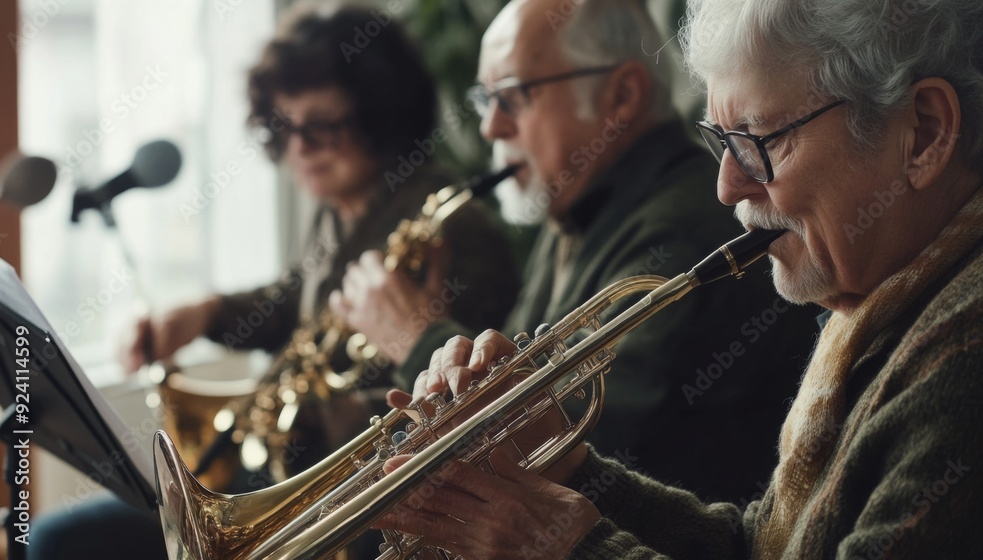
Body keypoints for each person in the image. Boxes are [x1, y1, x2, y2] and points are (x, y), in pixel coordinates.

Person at [376, 0, 983, 558]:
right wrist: (560, 461)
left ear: (925, 132)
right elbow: (755, 547)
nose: (727, 185)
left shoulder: (975, 353)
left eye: (759, 139)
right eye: (721, 140)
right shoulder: (885, 308)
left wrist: (565, 546)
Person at [29, 4, 518, 559]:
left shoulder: (454, 227)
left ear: (381, 118)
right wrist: (205, 313)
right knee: (63, 537)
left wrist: (335, 398)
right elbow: (296, 302)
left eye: (322, 128)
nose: (297, 151)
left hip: (364, 507)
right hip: (290, 476)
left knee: (66, 541)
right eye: (283, 129)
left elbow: (474, 403)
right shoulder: (341, 206)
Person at [332, 0, 819, 504]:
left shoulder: (682, 226)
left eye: (513, 97)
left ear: (622, 94)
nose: (490, 128)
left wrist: (416, 335)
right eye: (485, 99)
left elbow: (574, 444)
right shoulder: (572, 208)